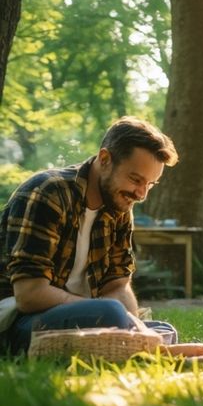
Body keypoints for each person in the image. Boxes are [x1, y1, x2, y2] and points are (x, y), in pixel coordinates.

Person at [0, 117, 180, 354]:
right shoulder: (48, 192)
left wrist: (137, 328)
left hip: (78, 316)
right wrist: (114, 315)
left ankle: (140, 348)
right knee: (111, 312)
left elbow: (118, 285)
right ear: (104, 159)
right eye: (136, 179)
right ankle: (146, 352)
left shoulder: (119, 206)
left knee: (163, 330)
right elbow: (29, 295)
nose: (141, 194)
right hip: (16, 320)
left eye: (150, 184)